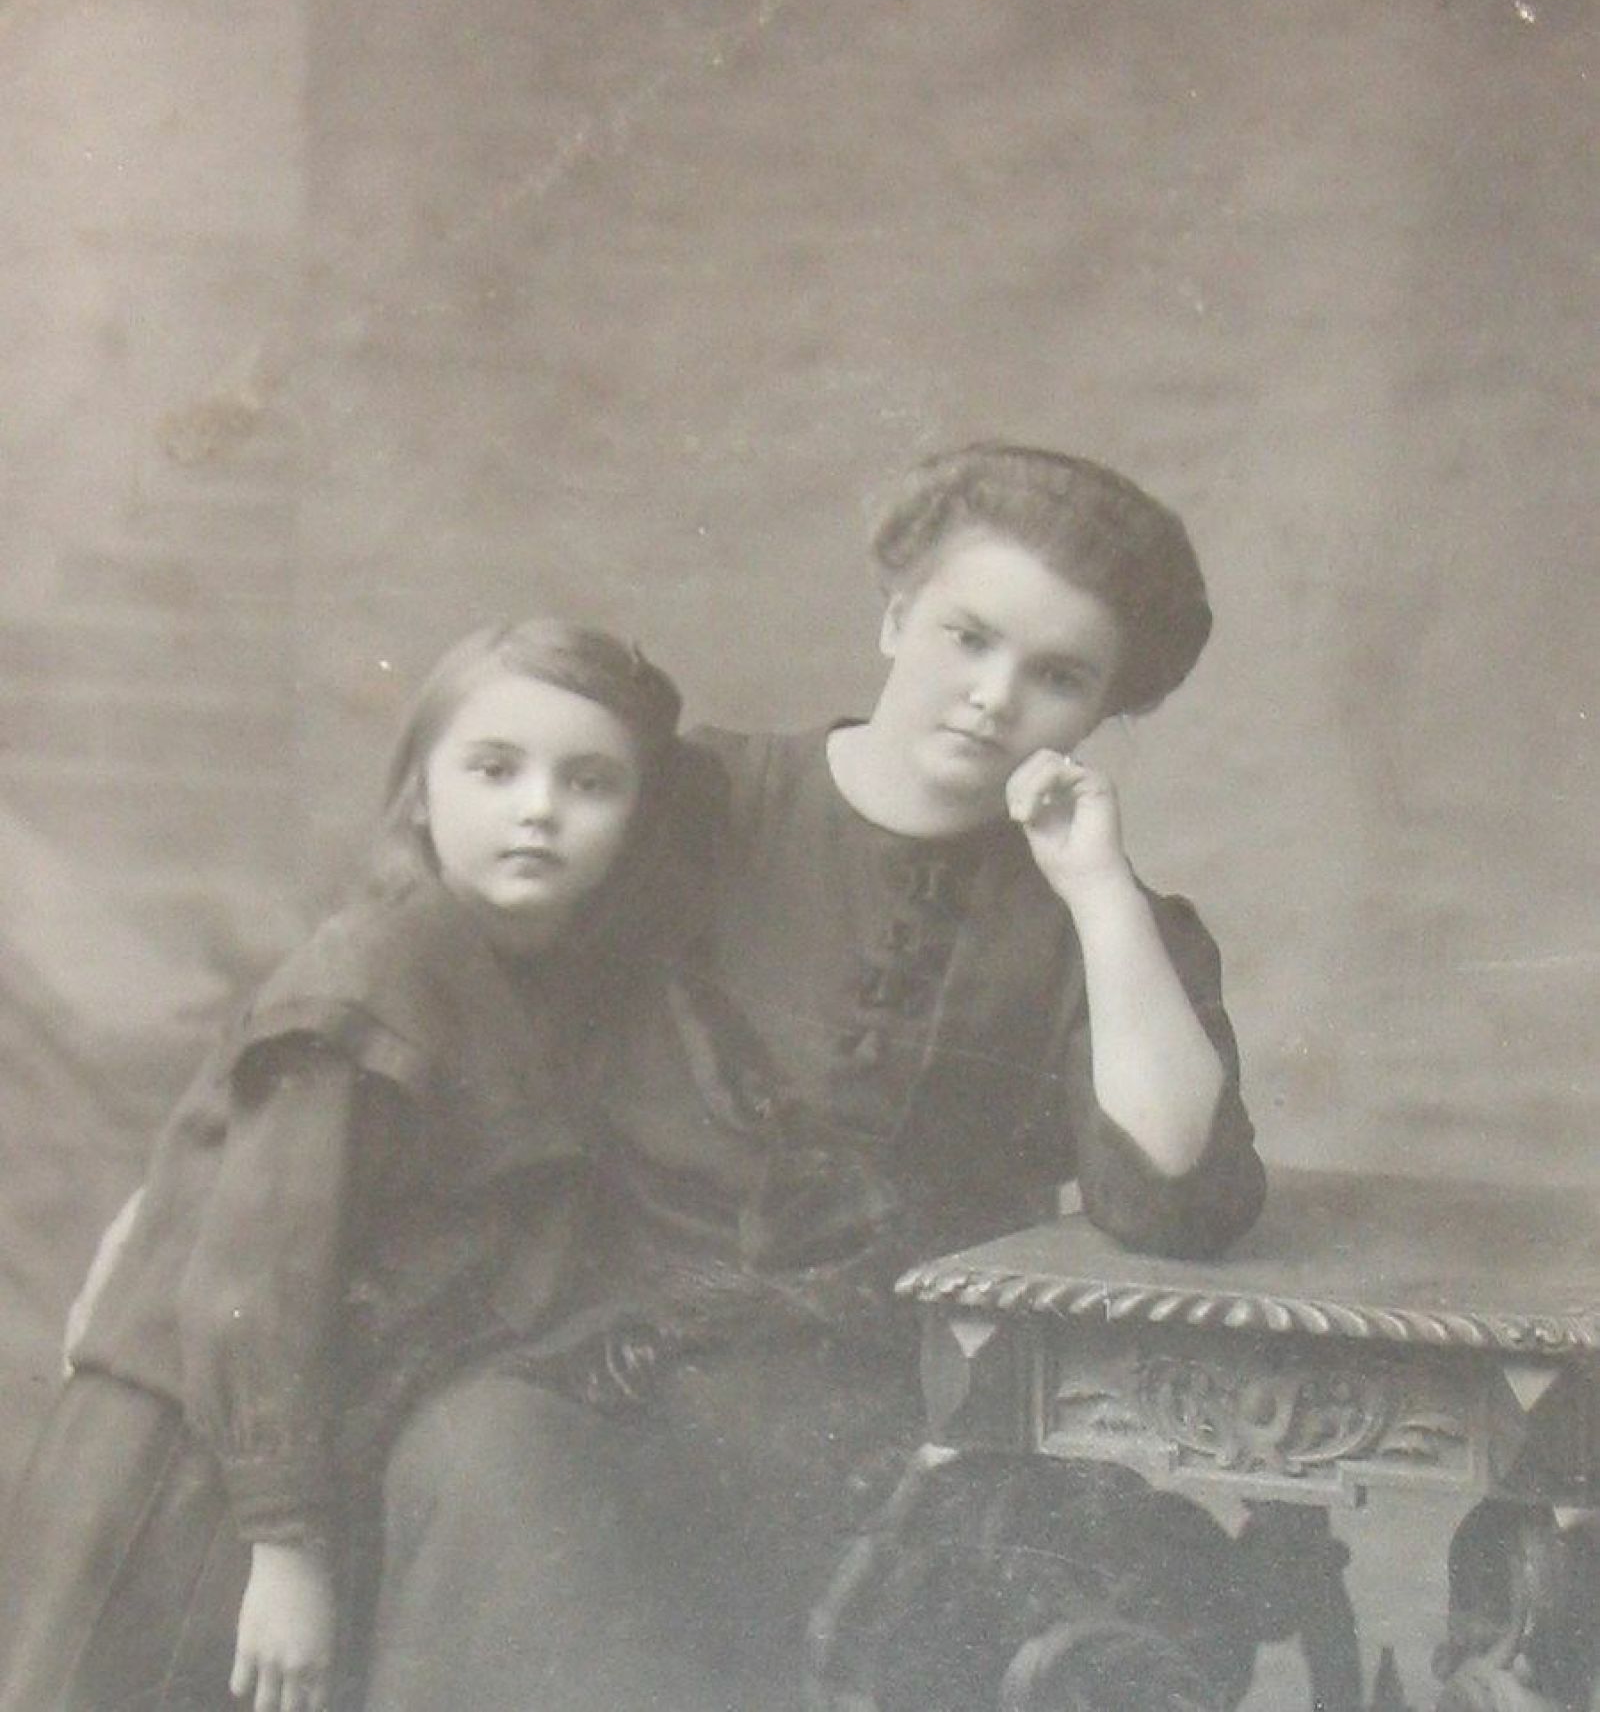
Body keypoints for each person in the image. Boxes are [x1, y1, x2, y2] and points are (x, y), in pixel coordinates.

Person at [361, 444, 1268, 1711]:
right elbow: (398, 976)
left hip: (894, 1424)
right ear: (894, 617)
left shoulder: (1097, 919)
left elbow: (1170, 1194)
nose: (992, 698)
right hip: (593, 1357)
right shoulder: (688, 799)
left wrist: (1097, 889)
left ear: (1104, 711)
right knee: (498, 1466)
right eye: (966, 638)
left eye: (1058, 677)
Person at [0, 618, 706, 1712]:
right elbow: (259, 1288)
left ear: (638, 817)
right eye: (494, 769)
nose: (539, 808)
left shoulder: (537, 976)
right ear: (419, 792)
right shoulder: (366, 983)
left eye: (591, 782)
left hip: (303, 1454)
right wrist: (285, 1545)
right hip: (191, 1468)